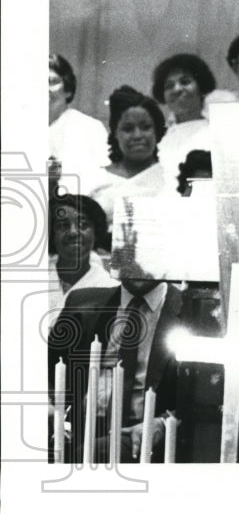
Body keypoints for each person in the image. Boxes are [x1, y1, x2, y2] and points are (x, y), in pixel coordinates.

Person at [48, 274, 183, 463]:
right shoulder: (80, 302)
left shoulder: (190, 310)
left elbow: (200, 399)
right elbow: (49, 366)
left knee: (94, 456)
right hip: (79, 425)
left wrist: (163, 423)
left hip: (139, 434)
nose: (138, 265)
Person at [77, 85, 170, 229]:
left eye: (146, 127)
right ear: (115, 133)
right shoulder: (93, 178)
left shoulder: (172, 179)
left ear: (157, 131)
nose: (138, 135)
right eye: (128, 129)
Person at [47, 193, 118, 326]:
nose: (73, 232)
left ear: (95, 231)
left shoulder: (110, 287)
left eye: (83, 225)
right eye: (63, 225)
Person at [152, 53, 217, 180]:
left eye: (185, 82)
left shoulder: (216, 131)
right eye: (169, 86)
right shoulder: (159, 138)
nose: (176, 89)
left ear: (201, 87)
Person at [48, 53, 108, 182]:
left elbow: (102, 181)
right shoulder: (16, 127)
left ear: (68, 89)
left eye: (52, 82)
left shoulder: (90, 128)